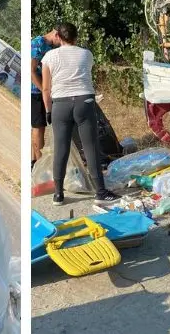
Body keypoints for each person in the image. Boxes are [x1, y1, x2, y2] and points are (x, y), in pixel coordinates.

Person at [40, 22, 119, 206]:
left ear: (58, 36)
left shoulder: (49, 56)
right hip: (84, 102)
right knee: (90, 147)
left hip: (60, 104)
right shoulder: (86, 54)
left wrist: (48, 110)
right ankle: (100, 191)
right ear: (76, 36)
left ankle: (58, 194)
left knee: (61, 149)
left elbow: (46, 89)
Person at [29, 29, 59, 168]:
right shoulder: (38, 43)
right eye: (60, 40)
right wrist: (44, 91)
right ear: (56, 34)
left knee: (40, 128)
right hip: (35, 91)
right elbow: (31, 70)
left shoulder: (51, 46)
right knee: (38, 127)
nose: (61, 43)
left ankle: (34, 161)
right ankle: (39, 165)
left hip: (43, 90)